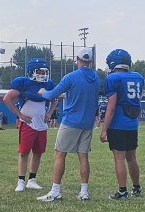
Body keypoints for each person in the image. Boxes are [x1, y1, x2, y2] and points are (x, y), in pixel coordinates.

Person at [35, 47, 100, 202]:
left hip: (71, 121)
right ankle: (84, 191)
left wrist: (42, 91)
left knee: (60, 154)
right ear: (90, 61)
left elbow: (52, 95)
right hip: (87, 122)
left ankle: (55, 191)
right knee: (83, 156)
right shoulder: (96, 78)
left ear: (77, 59)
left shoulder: (71, 77)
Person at [2, 58, 56, 192]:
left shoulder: (48, 84)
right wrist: (20, 115)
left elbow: (54, 101)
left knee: (38, 152)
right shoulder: (23, 83)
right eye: (39, 71)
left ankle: (32, 179)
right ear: (31, 71)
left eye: (44, 71)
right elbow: (7, 99)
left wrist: (49, 113)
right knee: (24, 152)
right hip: (28, 123)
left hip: (42, 124)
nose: (43, 74)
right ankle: (21, 180)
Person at [99, 48, 144, 199]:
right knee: (132, 158)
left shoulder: (113, 78)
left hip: (118, 123)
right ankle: (136, 188)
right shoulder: (138, 77)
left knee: (119, 158)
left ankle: (123, 191)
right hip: (132, 123)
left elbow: (111, 107)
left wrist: (104, 130)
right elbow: (138, 103)